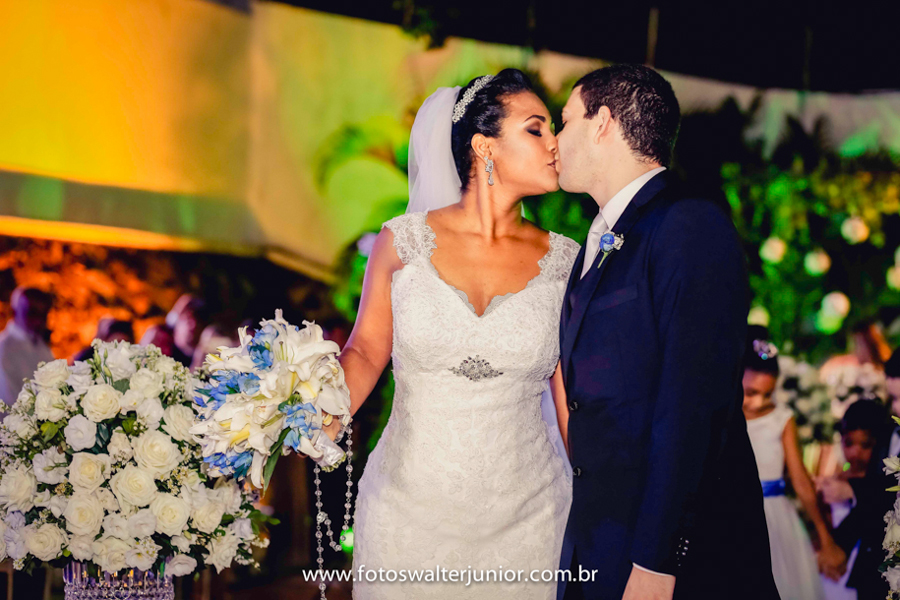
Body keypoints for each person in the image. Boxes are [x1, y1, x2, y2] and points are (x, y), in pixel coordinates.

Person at [334, 69, 579, 598]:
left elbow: (570, 401)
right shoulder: (401, 243)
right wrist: (293, 417)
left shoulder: (565, 261)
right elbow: (366, 352)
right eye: (536, 129)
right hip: (406, 515)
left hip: (530, 523)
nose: (555, 144)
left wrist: (610, 505)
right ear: (483, 146)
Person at [554, 64, 778, 600]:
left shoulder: (690, 224)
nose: (556, 141)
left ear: (603, 123)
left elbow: (692, 406)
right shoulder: (598, 240)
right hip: (597, 547)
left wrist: (658, 561)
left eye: (565, 121)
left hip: (671, 563)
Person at [742, 326, 844, 598]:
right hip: (738, 512)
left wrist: (825, 538)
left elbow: (800, 480)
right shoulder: (724, 417)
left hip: (777, 518)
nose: (757, 402)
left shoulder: (781, 418)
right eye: (750, 392)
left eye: (767, 393)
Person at [817, 399, 893, 599]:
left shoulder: (880, 486)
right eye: (849, 443)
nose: (855, 453)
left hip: (868, 568)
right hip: (835, 568)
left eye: (865, 445)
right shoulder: (835, 480)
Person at [0, 287, 54, 404]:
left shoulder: (40, 346)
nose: (38, 321)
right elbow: (10, 404)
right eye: (31, 313)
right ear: (14, 311)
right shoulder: (4, 349)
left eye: (43, 314)